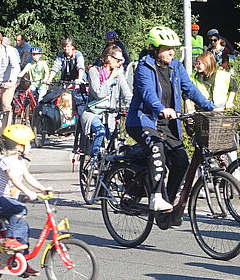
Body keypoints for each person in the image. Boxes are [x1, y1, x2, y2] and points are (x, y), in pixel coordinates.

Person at [126, 26, 214, 212]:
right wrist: (161, 109)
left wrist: (211, 107)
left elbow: (189, 89)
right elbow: (148, 93)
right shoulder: (144, 67)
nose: (171, 52)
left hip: (168, 124)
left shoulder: (176, 66)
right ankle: (155, 197)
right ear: (155, 49)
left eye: (173, 48)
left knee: (182, 161)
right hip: (143, 120)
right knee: (157, 147)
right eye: (166, 48)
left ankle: (168, 206)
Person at [0, 124, 52, 252]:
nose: (30, 146)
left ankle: (22, 262)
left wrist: (43, 189)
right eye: (27, 143)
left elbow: (29, 178)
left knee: (24, 229)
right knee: (20, 209)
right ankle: (11, 239)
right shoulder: (6, 161)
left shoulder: (20, 160)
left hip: (7, 200)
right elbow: (14, 179)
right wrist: (27, 192)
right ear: (18, 146)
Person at [81, 46, 131, 164]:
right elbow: (99, 93)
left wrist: (134, 107)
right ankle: (94, 161)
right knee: (100, 131)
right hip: (93, 112)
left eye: (121, 61)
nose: (120, 63)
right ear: (108, 58)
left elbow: (127, 94)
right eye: (117, 60)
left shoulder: (119, 74)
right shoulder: (94, 71)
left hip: (111, 114)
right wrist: (111, 78)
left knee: (115, 139)